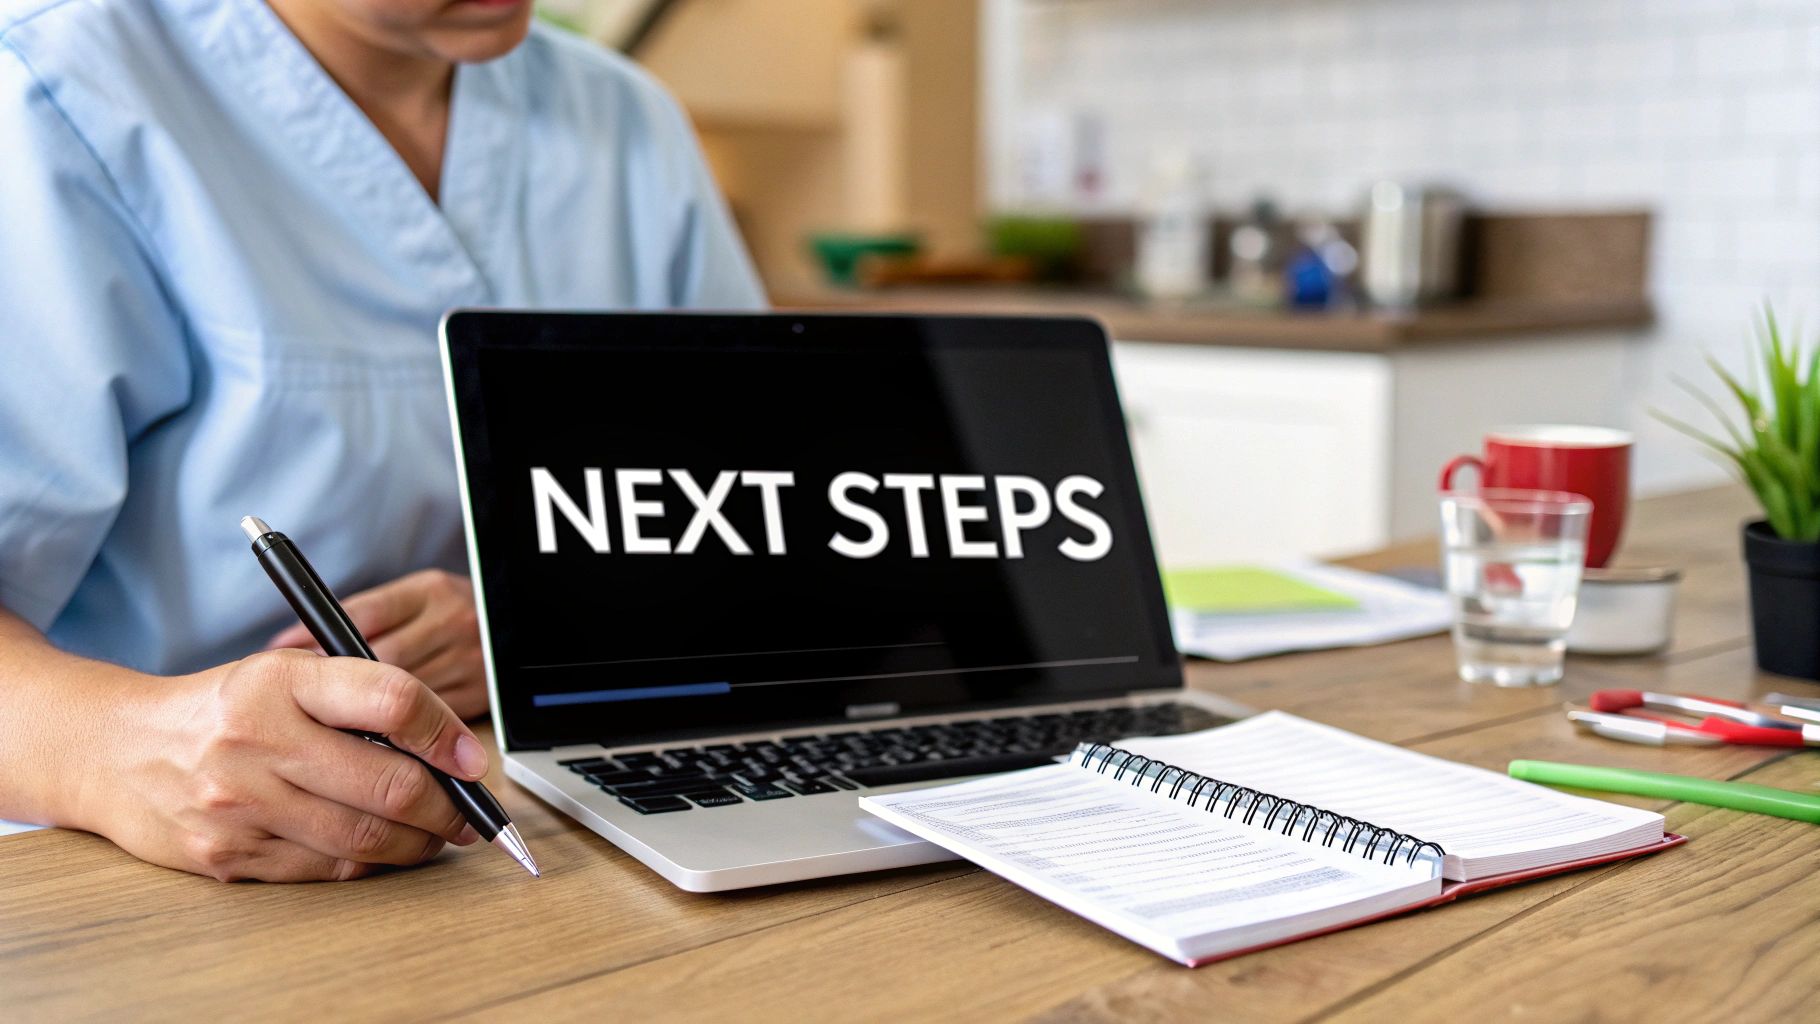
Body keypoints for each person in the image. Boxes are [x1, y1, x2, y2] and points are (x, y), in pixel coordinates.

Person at [0, 0, 763, 881]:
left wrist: (551, 620)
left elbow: (757, 524)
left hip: (531, 823)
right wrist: (118, 750)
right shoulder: (49, 100)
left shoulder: (627, 120)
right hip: (150, 884)